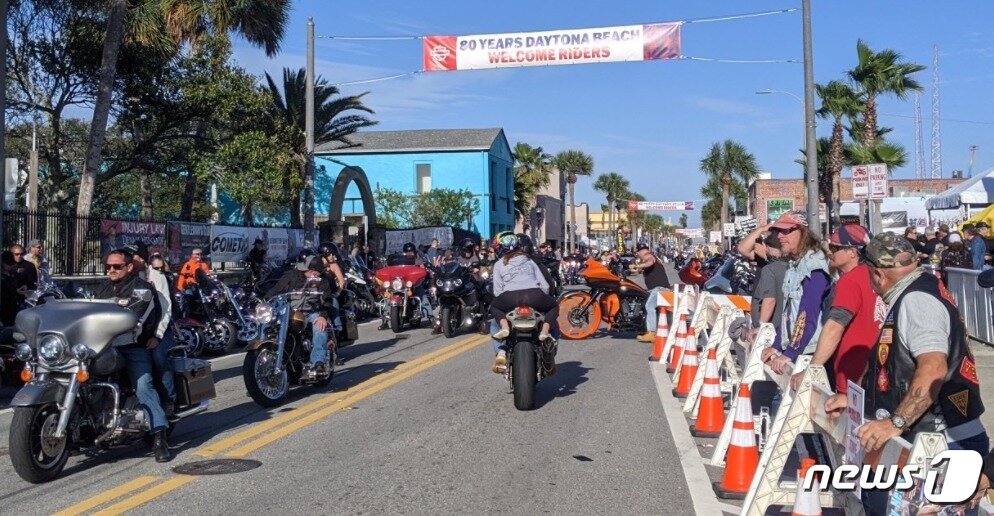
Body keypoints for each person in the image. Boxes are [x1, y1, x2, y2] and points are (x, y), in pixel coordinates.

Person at [824, 232, 987, 514]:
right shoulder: (916, 291)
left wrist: (895, 423)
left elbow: (933, 368)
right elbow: (891, 362)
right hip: (927, 440)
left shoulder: (916, 301)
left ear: (877, 274)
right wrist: (854, 399)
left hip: (939, 443)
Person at [92, 249, 172, 462]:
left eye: (116, 266)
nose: (111, 270)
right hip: (102, 346)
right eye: (108, 266)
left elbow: (136, 318)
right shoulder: (102, 288)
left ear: (128, 267)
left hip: (132, 346)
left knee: (144, 387)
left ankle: (159, 438)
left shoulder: (142, 289)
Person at [790, 224, 884, 393]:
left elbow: (834, 328)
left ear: (852, 252)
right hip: (878, 371)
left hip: (852, 373)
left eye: (834, 248)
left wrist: (812, 369)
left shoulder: (850, 281)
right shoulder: (879, 277)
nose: (829, 252)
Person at [760, 211, 831, 375]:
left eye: (786, 231)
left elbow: (808, 315)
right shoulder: (795, 264)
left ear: (803, 232)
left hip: (811, 352)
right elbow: (788, 313)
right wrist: (776, 345)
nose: (779, 236)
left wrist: (790, 353)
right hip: (799, 349)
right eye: (778, 231)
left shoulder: (814, 266)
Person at [489, 233, 558, 375]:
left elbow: (497, 292)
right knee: (554, 306)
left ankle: (503, 336)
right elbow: (545, 286)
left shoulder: (499, 264)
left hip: (509, 298)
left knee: (494, 308)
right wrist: (540, 299)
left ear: (499, 249)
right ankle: (545, 331)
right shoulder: (529, 260)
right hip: (534, 295)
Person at [123, 242, 177, 415]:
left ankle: (168, 399)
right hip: (133, 332)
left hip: (158, 330)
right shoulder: (125, 278)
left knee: (158, 356)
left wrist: (157, 335)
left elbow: (165, 309)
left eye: (132, 257)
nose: (129, 260)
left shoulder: (156, 277)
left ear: (141, 258)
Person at [266, 252, 336, 377]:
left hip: (311, 312)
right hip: (289, 312)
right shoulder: (291, 275)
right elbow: (277, 289)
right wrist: (264, 301)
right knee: (269, 327)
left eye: (317, 271)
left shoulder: (322, 280)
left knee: (319, 327)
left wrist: (323, 315)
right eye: (311, 271)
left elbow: (328, 299)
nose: (314, 274)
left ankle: (318, 362)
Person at [738, 227, 788, 341]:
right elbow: (743, 248)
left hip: (769, 330)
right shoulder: (787, 265)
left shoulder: (771, 268)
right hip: (779, 328)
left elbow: (770, 300)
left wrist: (761, 327)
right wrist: (761, 229)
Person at [634, 245, 673, 343]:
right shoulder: (647, 260)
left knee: (649, 306)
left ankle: (651, 333)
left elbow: (650, 262)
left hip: (659, 288)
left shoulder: (649, 256)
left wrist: (638, 266)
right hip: (656, 289)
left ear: (640, 252)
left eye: (638, 252)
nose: (638, 254)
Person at [317, 242, 346, 332]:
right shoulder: (316, 265)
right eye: (330, 254)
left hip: (330, 293)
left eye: (333, 254)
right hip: (318, 293)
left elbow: (341, 281)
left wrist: (338, 293)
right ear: (323, 255)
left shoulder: (333, 265)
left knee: (333, 302)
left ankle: (337, 326)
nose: (333, 256)